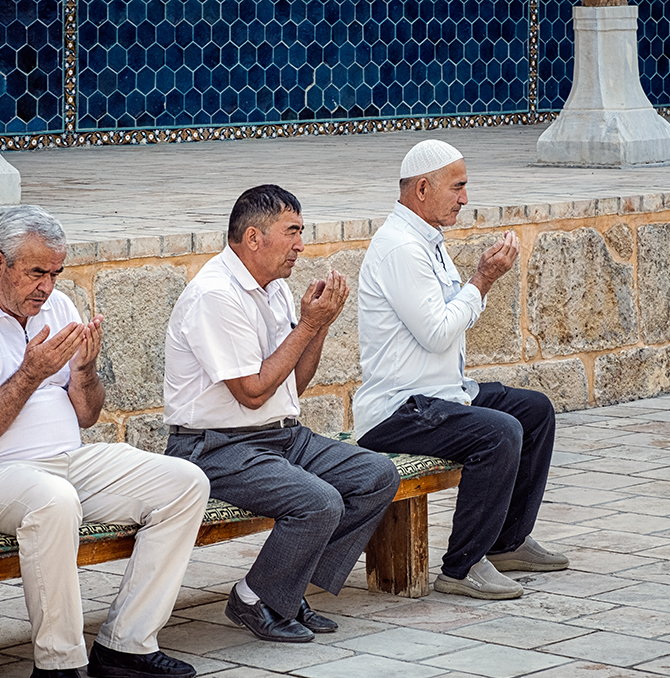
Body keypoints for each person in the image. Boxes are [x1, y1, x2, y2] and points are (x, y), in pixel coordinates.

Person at [0, 205, 210, 678]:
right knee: (54, 503)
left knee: (184, 482)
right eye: (36, 273)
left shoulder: (60, 310)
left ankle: (126, 642)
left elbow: (87, 414)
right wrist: (30, 375)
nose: (47, 288)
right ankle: (56, 666)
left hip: (66, 460)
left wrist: (87, 370)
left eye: (56, 273)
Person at [163, 184, 399, 643]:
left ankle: (284, 589)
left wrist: (320, 326)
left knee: (376, 475)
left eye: (302, 232)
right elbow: (251, 393)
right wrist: (309, 324)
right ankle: (255, 596)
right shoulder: (215, 293)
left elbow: (293, 383)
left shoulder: (277, 291)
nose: (301, 245)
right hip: (215, 445)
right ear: (254, 238)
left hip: (280, 436)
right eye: (292, 232)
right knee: (319, 501)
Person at [354, 139, 568, 601]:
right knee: (499, 432)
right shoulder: (400, 248)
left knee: (534, 411)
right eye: (459, 186)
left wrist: (476, 282)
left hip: (441, 395)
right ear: (424, 188)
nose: (466, 198)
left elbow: (447, 315)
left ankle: (506, 542)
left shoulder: (425, 241)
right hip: (399, 410)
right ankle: (462, 566)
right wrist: (483, 280)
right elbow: (436, 332)